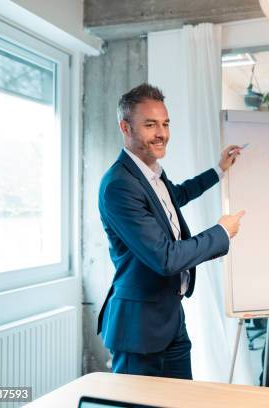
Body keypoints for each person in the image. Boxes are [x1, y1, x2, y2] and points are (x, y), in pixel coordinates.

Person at [96, 83, 245, 379]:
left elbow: (178, 195)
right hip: (139, 329)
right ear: (125, 127)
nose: (162, 133)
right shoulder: (120, 185)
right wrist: (221, 232)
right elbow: (165, 258)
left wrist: (219, 169)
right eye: (150, 125)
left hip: (170, 317)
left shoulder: (151, 174)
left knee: (180, 400)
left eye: (165, 123)